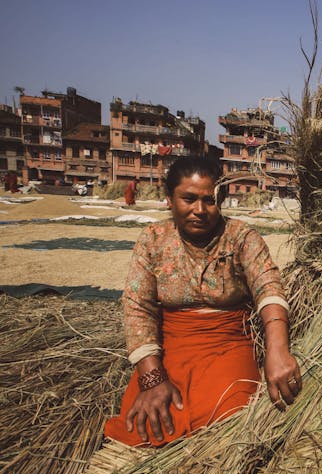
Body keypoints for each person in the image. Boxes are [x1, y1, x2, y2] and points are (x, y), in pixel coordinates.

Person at [104, 156, 301, 446]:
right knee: (146, 423)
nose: (200, 210)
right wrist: (152, 379)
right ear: (169, 199)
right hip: (171, 346)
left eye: (209, 200)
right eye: (188, 199)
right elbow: (137, 306)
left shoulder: (241, 237)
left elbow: (268, 287)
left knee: (229, 417)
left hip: (228, 344)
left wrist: (278, 351)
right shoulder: (153, 239)